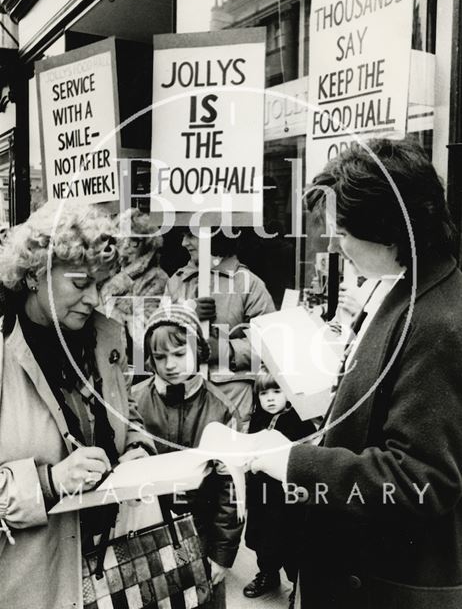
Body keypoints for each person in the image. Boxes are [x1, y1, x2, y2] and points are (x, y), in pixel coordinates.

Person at [250, 138, 462, 609]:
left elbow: (420, 480)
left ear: (388, 231)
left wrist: (289, 461)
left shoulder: (437, 321)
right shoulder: (409, 289)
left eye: (342, 233)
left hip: (381, 587)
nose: (334, 245)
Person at [0, 202, 155, 609]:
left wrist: (138, 449)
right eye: (81, 283)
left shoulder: (107, 339)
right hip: (33, 582)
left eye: (100, 284)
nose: (93, 299)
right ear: (35, 274)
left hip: (116, 565)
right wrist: (50, 482)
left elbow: (128, 414)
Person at [133, 303, 244, 608]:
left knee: (202, 597)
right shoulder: (135, 402)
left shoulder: (220, 408)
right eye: (160, 356)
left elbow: (231, 489)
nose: (170, 364)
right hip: (146, 533)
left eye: (180, 354)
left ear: (199, 350)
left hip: (201, 531)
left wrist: (222, 554)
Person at [165, 230, 275, 429]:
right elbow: (155, 342)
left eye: (191, 235)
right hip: (184, 398)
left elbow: (271, 345)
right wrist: (185, 314)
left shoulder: (249, 284)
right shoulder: (176, 282)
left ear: (215, 234)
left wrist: (224, 350)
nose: (184, 243)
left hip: (232, 398)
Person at [243, 371, 316, 606]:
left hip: (285, 495)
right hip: (260, 492)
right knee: (260, 536)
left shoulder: (298, 421)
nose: (270, 399)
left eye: (277, 391)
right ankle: (268, 573)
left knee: (290, 539)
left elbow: (304, 457)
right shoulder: (258, 419)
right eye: (264, 393)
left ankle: (298, 584)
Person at [100, 208, 169, 354]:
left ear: (147, 243)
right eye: (121, 238)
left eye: (134, 241)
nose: (125, 245)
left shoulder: (157, 278)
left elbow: (146, 329)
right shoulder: (112, 272)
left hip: (138, 358)